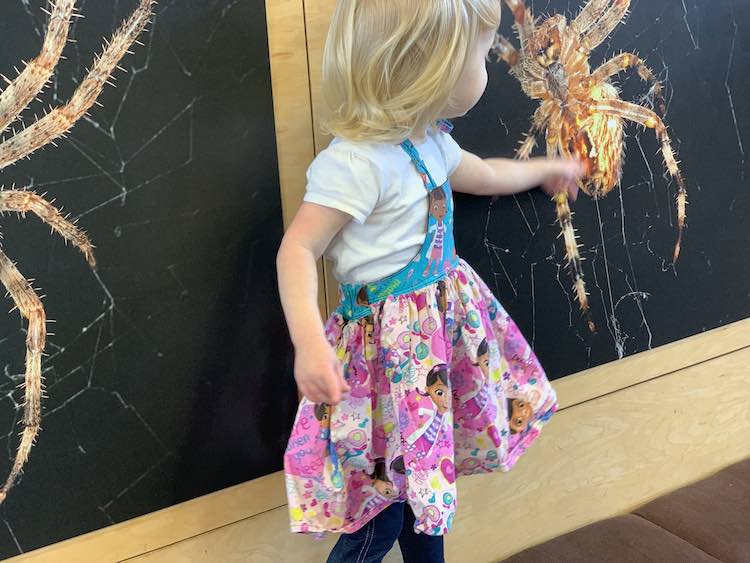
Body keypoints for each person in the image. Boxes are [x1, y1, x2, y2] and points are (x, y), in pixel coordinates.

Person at [277, 1, 583, 561]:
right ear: (433, 69)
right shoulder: (356, 164)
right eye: (482, 57)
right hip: (386, 368)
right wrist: (309, 345)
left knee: (427, 494)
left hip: (434, 354)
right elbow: (298, 248)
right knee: (382, 513)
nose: (488, 70)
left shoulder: (430, 143)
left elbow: (485, 175)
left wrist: (544, 169)